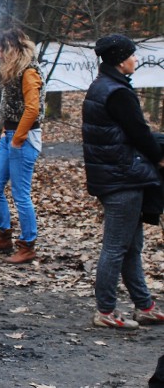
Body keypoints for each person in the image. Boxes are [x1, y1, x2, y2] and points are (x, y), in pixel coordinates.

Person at [82, 33, 164, 329]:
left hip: (115, 175)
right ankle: (105, 311)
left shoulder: (103, 86)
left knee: (131, 246)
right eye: (132, 54)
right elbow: (138, 132)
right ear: (120, 60)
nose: (136, 59)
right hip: (123, 178)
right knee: (116, 247)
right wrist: (158, 156)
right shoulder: (117, 92)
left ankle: (144, 306)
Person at [0, 28, 44, 264]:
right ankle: (3, 236)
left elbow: (33, 109)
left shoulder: (29, 72)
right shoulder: (13, 71)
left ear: (13, 50)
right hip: (10, 137)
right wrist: (7, 134)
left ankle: (27, 245)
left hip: (22, 140)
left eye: (1, 50)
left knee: (20, 194)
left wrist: (17, 138)